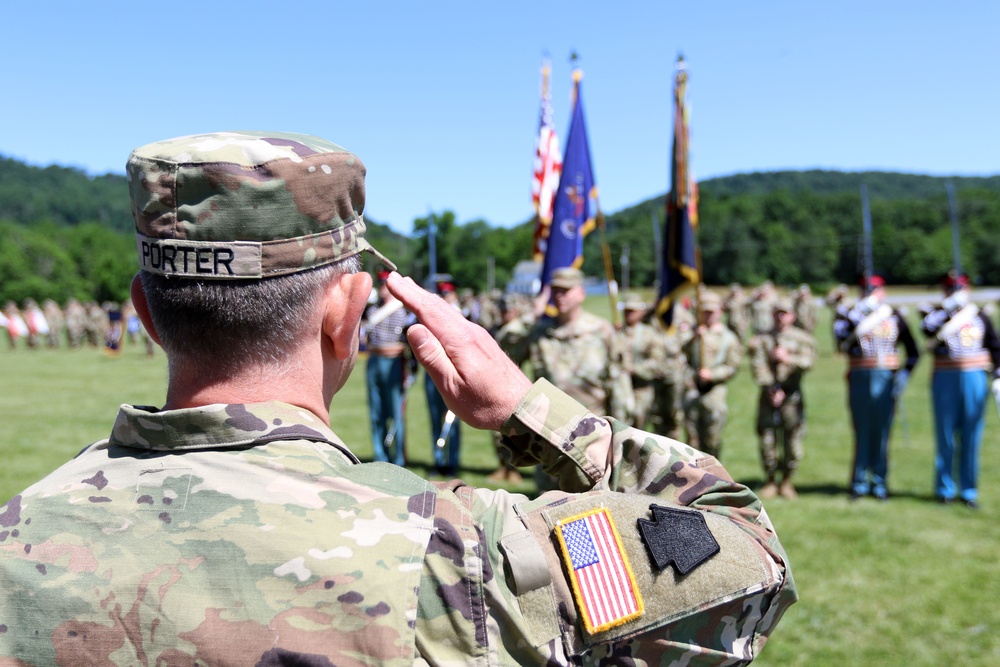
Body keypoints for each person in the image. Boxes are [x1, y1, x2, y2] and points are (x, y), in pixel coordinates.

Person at [0, 131, 795, 665]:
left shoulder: (16, 537)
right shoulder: (457, 551)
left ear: (143, 311)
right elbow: (746, 553)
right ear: (347, 316)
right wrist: (532, 409)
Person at [834, 275, 919, 501]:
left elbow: (913, 349)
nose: (869, 294)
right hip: (860, 375)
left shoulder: (893, 316)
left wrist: (904, 374)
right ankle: (859, 482)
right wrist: (850, 313)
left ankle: (879, 481)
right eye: (865, 290)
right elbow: (841, 341)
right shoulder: (851, 315)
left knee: (882, 432)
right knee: (862, 430)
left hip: (886, 377)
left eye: (873, 290)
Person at [920, 272, 1000, 509]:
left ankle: (968, 490)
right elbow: (927, 329)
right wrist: (947, 310)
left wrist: (997, 374)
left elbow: (995, 347)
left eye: (960, 288)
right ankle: (945, 488)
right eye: (951, 289)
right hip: (946, 376)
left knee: (972, 435)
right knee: (945, 434)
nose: (955, 293)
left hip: (974, 377)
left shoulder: (979, 316)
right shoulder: (936, 314)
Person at [748, 298, 818, 500]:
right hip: (768, 395)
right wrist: (770, 387)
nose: (780, 317)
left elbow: (808, 361)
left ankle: (787, 480)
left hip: (792, 396)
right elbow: (758, 365)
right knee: (767, 438)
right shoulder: (762, 339)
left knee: (793, 438)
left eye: (784, 313)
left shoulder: (802, 338)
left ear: (792, 316)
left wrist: (788, 358)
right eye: (777, 312)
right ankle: (770, 480)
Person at [682, 289, 744, 459]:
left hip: (714, 391)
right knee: (691, 438)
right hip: (692, 388)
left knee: (712, 437)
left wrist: (713, 374)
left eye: (711, 312)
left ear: (720, 312)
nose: (707, 316)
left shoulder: (728, 338)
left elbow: (732, 366)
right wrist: (693, 337)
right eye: (704, 312)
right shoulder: (693, 333)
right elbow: (680, 353)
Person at [364, 270, 412, 466]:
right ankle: (380, 455)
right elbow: (367, 340)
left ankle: (398, 458)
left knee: (396, 412)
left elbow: (404, 345)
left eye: (386, 284)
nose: (382, 287)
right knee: (376, 412)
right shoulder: (373, 310)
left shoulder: (402, 311)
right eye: (381, 283)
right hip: (374, 362)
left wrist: (384, 349)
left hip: (392, 364)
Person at [425, 280, 462, 475]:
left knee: (452, 419)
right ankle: (439, 460)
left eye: (447, 294)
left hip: (451, 373)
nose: (444, 298)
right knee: (434, 418)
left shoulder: (460, 314)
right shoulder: (430, 315)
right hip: (432, 373)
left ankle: (453, 462)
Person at [619, 293, 666, 430]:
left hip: (641, 388)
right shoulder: (616, 332)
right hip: (619, 388)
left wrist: (634, 369)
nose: (629, 314)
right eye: (626, 311)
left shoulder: (649, 334)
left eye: (632, 311)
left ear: (641, 312)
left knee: (637, 427)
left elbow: (657, 362)